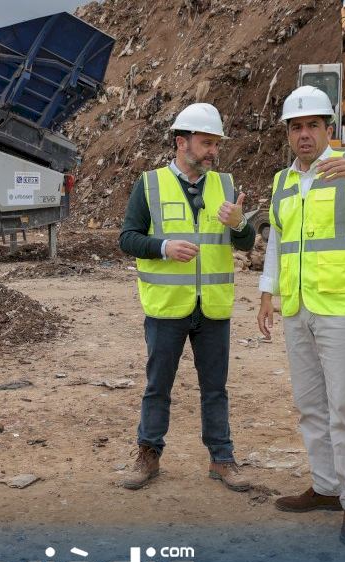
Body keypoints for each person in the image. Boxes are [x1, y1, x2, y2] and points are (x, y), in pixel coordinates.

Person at [256, 85, 345, 547]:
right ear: (288, 133)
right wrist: (267, 292)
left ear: (328, 129)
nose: (304, 134)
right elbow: (279, 242)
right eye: (296, 127)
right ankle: (325, 487)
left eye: (313, 125)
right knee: (310, 406)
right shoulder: (283, 181)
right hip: (298, 308)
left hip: (343, 308)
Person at [117, 102, 255, 491]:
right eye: (207, 143)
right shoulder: (149, 184)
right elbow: (127, 238)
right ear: (182, 142)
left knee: (215, 389)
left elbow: (246, 241)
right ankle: (148, 455)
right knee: (158, 387)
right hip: (167, 308)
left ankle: (222, 459)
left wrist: (239, 224)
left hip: (212, 307)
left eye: (216, 144)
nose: (213, 151)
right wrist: (163, 248)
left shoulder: (225, 185)